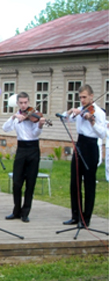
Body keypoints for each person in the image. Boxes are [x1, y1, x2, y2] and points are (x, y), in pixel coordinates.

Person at [62, 85, 107, 227]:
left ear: (92, 96)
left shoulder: (98, 113)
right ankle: (75, 215)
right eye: (80, 97)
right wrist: (70, 111)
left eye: (84, 97)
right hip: (79, 144)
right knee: (74, 182)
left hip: (91, 146)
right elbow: (64, 119)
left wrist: (91, 121)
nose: (82, 100)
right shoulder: (80, 110)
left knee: (89, 184)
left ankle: (86, 219)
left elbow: (102, 134)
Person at [2, 92, 45, 223]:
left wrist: (40, 125)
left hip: (33, 148)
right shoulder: (16, 117)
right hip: (21, 149)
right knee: (17, 182)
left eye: (26, 102)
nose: (24, 105)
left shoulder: (34, 115)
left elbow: (35, 133)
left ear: (29, 102)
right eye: (21, 103)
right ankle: (16, 211)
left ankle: (25, 212)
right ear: (18, 103)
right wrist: (14, 116)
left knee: (30, 183)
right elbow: (5, 128)